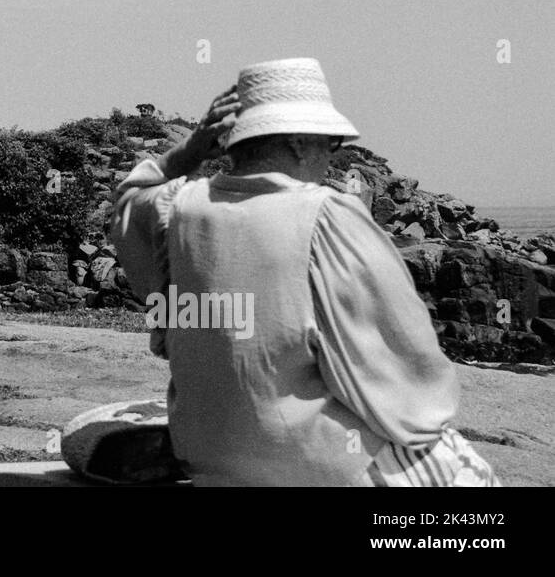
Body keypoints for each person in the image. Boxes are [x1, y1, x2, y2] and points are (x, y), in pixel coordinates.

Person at [110, 57, 497, 486]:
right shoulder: (326, 217)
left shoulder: (175, 209)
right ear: (298, 141)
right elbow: (408, 374)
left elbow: (130, 195)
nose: (330, 159)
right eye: (330, 144)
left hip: (209, 456)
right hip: (314, 464)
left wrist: (191, 149)